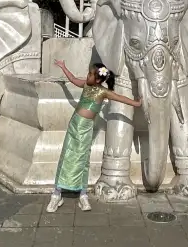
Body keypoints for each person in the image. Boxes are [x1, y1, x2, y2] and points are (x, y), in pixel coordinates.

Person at [47, 59, 142, 212]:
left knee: (83, 158)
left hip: (86, 128)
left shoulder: (103, 92)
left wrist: (136, 104)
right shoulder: (85, 85)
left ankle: (82, 194)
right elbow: (72, 79)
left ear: (98, 79)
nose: (87, 76)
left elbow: (120, 98)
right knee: (67, 155)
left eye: (90, 74)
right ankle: (57, 193)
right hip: (74, 125)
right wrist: (64, 67)